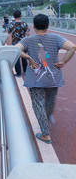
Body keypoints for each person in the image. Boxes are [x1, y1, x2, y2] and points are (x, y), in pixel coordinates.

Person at [16, 13, 76, 144]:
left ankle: (45, 134)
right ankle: (46, 121)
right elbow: (72, 47)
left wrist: (29, 58)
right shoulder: (56, 38)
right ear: (48, 25)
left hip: (35, 78)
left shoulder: (28, 40)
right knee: (49, 101)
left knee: (38, 104)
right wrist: (64, 61)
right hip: (53, 77)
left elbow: (15, 50)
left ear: (34, 26)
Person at [8, 9, 29, 77]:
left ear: (14, 16)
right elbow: (28, 34)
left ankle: (19, 73)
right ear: (20, 15)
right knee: (24, 57)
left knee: (16, 58)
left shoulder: (11, 24)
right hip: (23, 43)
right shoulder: (24, 24)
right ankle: (25, 71)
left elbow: (8, 32)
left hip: (15, 43)